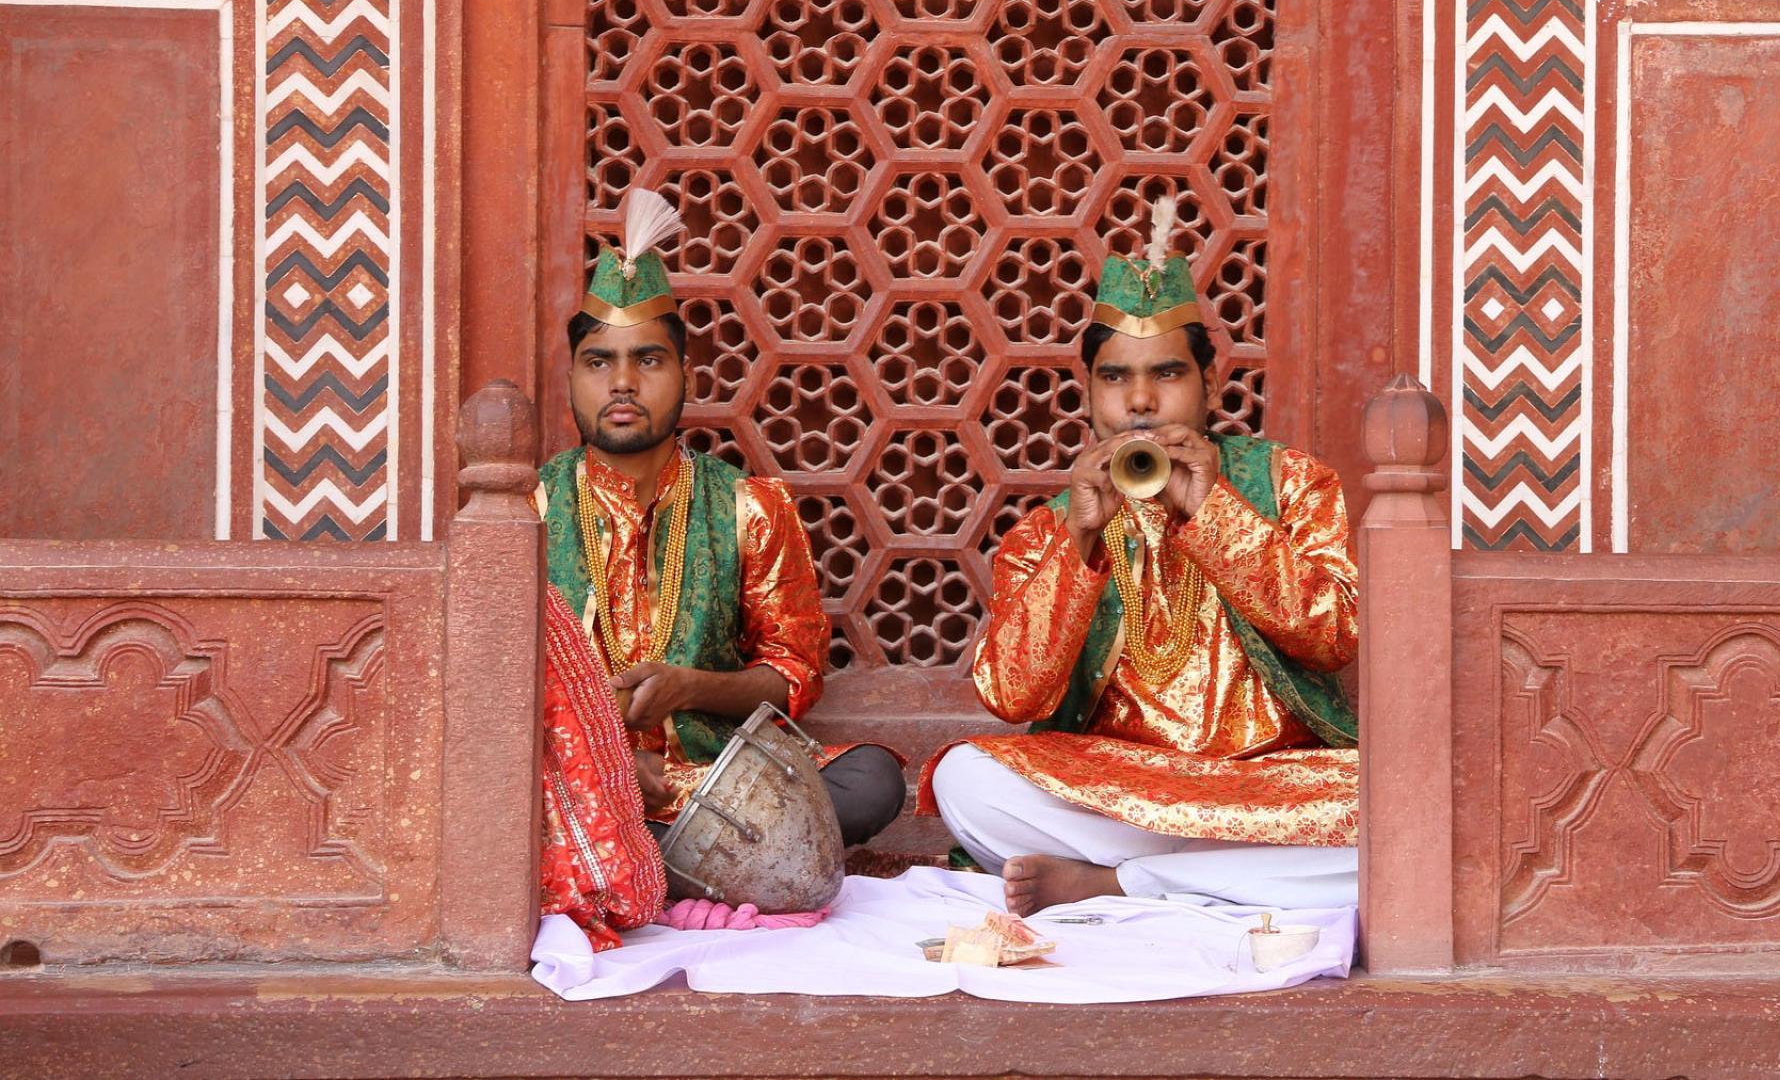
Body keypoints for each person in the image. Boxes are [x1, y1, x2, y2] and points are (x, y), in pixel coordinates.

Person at [922, 204, 1359, 915]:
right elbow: (1010, 696)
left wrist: (1214, 514)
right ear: (1089, 393)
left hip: (1271, 784)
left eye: (1166, 374)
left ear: (1211, 386)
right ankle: (1213, 880)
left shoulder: (1290, 482)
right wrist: (1082, 544)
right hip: (1120, 787)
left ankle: (1122, 886)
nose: (1143, 402)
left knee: (1394, 813)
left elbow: (1335, 636)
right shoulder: (1050, 528)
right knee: (965, 779)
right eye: (1116, 379)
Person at [537, 189, 903, 943]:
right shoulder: (530, 511)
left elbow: (794, 675)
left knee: (872, 780)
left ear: (686, 374)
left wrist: (690, 688)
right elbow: (486, 681)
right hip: (572, 783)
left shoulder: (748, 507)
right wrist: (599, 755)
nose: (623, 385)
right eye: (598, 362)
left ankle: (638, 870)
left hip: (720, 784)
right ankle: (675, 866)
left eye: (648, 360)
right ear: (571, 377)